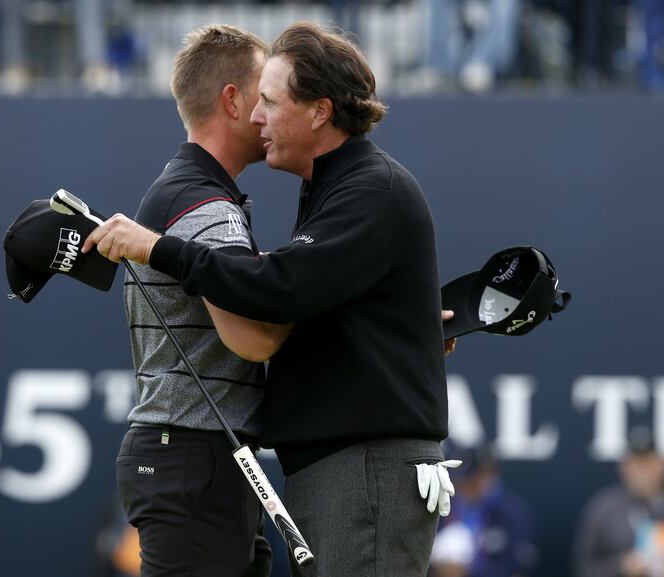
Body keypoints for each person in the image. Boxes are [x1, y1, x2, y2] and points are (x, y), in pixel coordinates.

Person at [84, 21, 457, 577]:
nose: (260, 117)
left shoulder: (366, 186)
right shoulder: (328, 187)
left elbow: (277, 298)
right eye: (257, 101)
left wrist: (160, 249)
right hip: (320, 466)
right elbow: (290, 300)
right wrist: (391, 327)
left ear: (320, 111)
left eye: (272, 102)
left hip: (360, 468)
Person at [112, 24, 282, 577]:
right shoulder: (203, 204)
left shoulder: (188, 189)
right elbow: (254, 339)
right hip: (192, 455)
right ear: (232, 100)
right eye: (267, 92)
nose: (273, 109)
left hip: (194, 455)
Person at [428, 443, 537, 577]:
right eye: (460, 481)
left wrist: (469, 570)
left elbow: (519, 564)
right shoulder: (445, 506)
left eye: (471, 481)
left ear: (487, 475)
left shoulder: (512, 513)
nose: (463, 487)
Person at [573, 427, 664, 577]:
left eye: (648, 463)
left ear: (660, 465)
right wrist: (621, 566)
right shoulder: (603, 509)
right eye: (636, 463)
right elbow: (583, 569)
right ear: (624, 466)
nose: (642, 471)